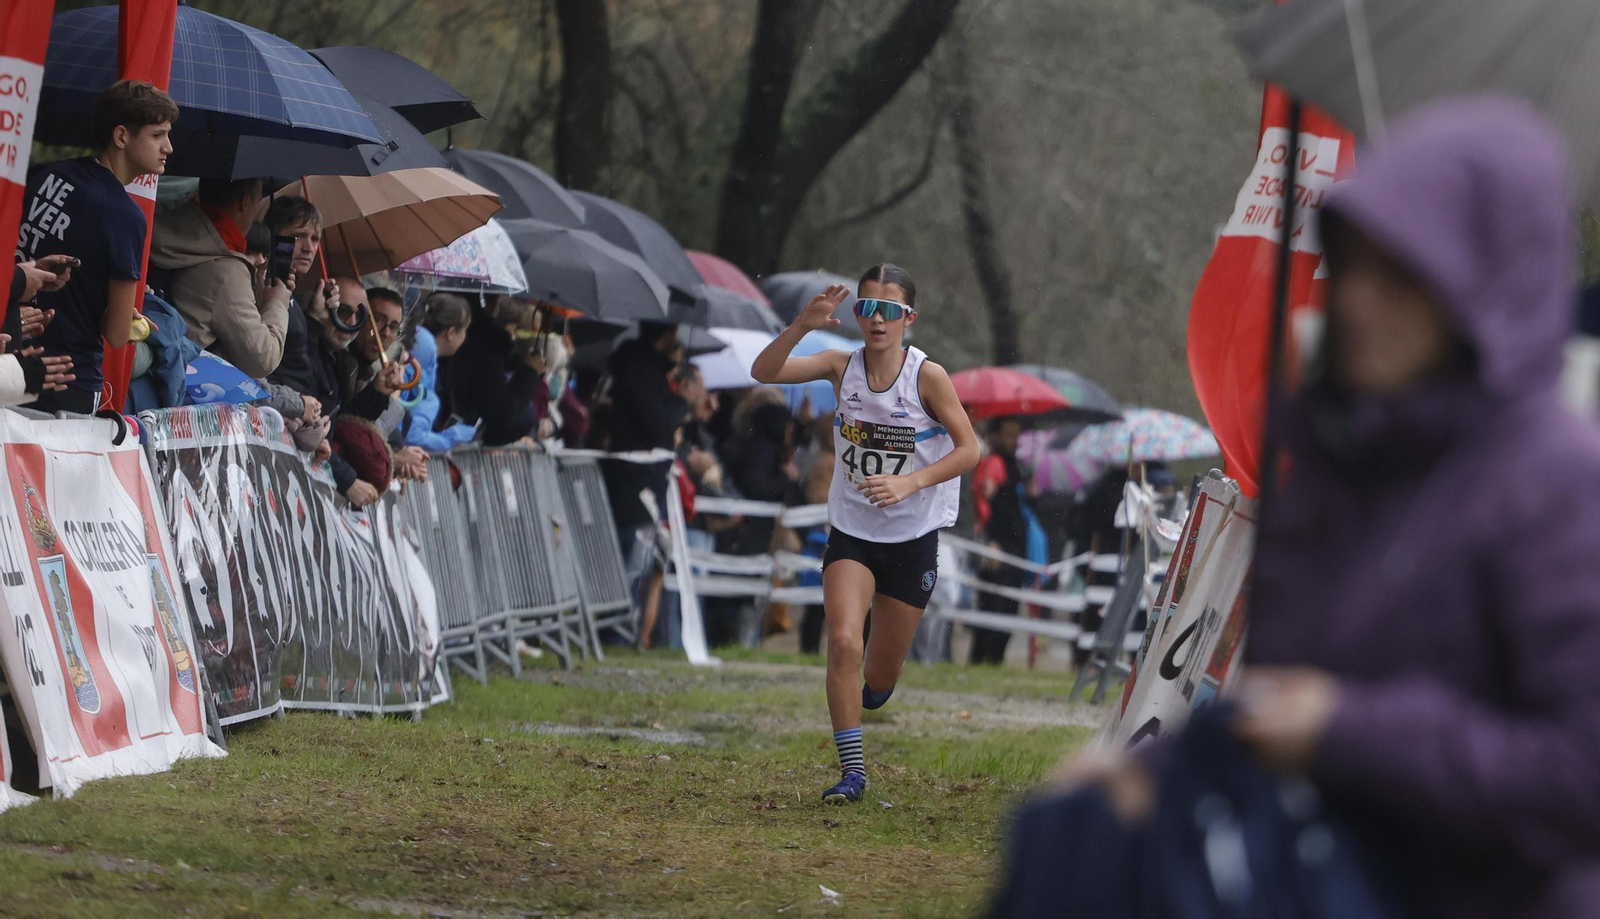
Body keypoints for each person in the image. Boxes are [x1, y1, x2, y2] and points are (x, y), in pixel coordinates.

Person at [1063, 98, 1600, 917]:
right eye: (1352, 263)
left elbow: (1581, 772)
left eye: (1402, 275)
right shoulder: (1335, 460)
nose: (1355, 300)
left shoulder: (1557, 484)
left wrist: (1351, 732)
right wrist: (1144, 781)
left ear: (1487, 288)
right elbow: (1280, 697)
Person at [751, 263, 978, 805]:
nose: (877, 319)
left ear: (908, 318)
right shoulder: (840, 366)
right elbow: (764, 372)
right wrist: (801, 325)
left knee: (877, 676)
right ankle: (852, 772)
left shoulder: (927, 377)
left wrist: (911, 482)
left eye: (889, 310)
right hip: (852, 532)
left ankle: (877, 685)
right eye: (867, 308)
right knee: (843, 642)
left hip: (912, 538)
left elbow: (971, 449)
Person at [17, 80, 177, 413]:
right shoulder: (124, 214)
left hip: (12, 363)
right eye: (158, 135)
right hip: (68, 381)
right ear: (121, 137)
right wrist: (124, 316)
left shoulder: (46, 173)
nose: (169, 147)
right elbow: (117, 334)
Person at [149, 176, 290, 378]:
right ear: (245, 201)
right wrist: (276, 304)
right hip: (185, 387)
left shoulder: (161, 227)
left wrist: (258, 293)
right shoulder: (227, 271)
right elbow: (261, 359)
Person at [436, 296, 547, 446]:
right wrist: (530, 371)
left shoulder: (481, 346)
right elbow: (502, 414)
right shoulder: (483, 351)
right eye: (513, 331)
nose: (514, 337)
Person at [969, 418, 1029, 665]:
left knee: (1009, 604)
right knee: (991, 602)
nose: (1013, 441)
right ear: (995, 436)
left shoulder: (1016, 467)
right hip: (997, 544)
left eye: (1016, 435)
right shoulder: (993, 463)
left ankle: (996, 658)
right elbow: (988, 505)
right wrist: (991, 540)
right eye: (1008, 435)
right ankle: (981, 656)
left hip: (1016, 545)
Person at [404, 292, 478, 453]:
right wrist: (453, 437)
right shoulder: (422, 351)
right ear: (450, 333)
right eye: (465, 330)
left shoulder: (425, 357)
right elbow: (412, 434)